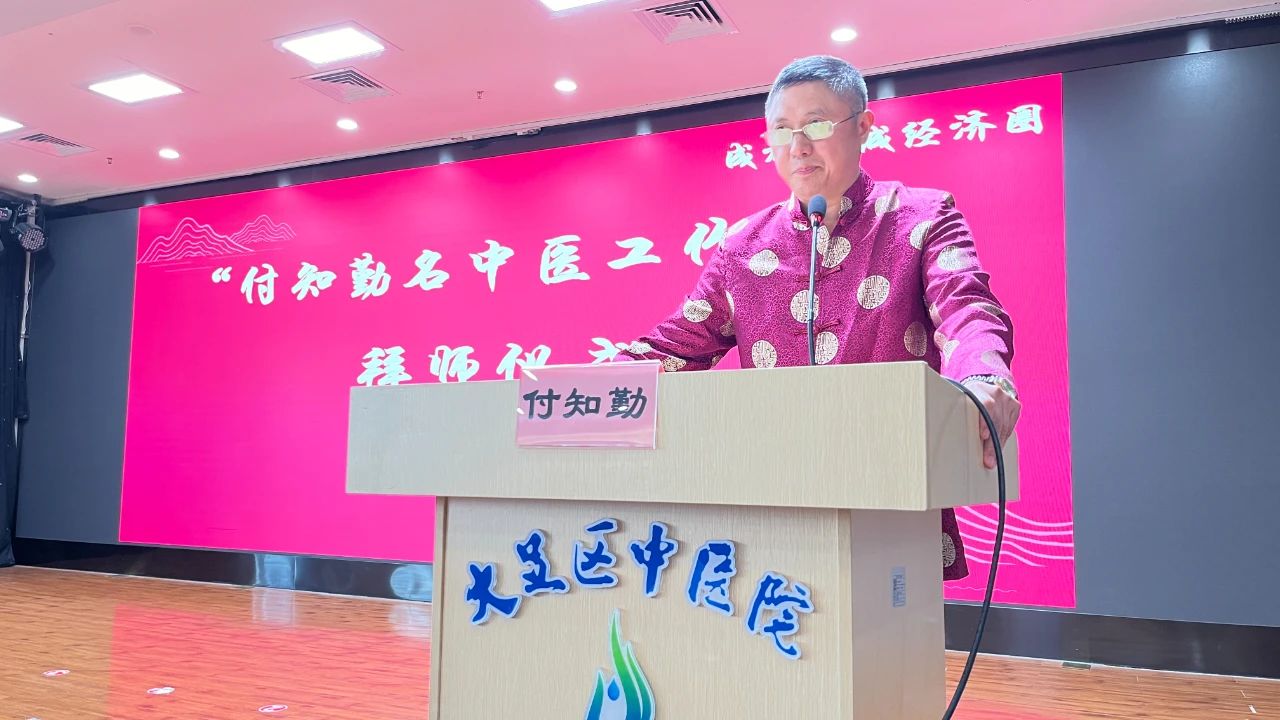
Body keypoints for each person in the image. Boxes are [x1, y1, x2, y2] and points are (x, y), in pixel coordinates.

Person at [618, 55, 1021, 581]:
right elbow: (676, 346)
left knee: (887, 625)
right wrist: (573, 393)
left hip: (889, 490)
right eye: (781, 130)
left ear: (864, 126)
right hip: (774, 496)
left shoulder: (922, 216)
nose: (798, 146)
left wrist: (985, 378)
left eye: (816, 124)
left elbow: (966, 306)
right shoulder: (742, 246)